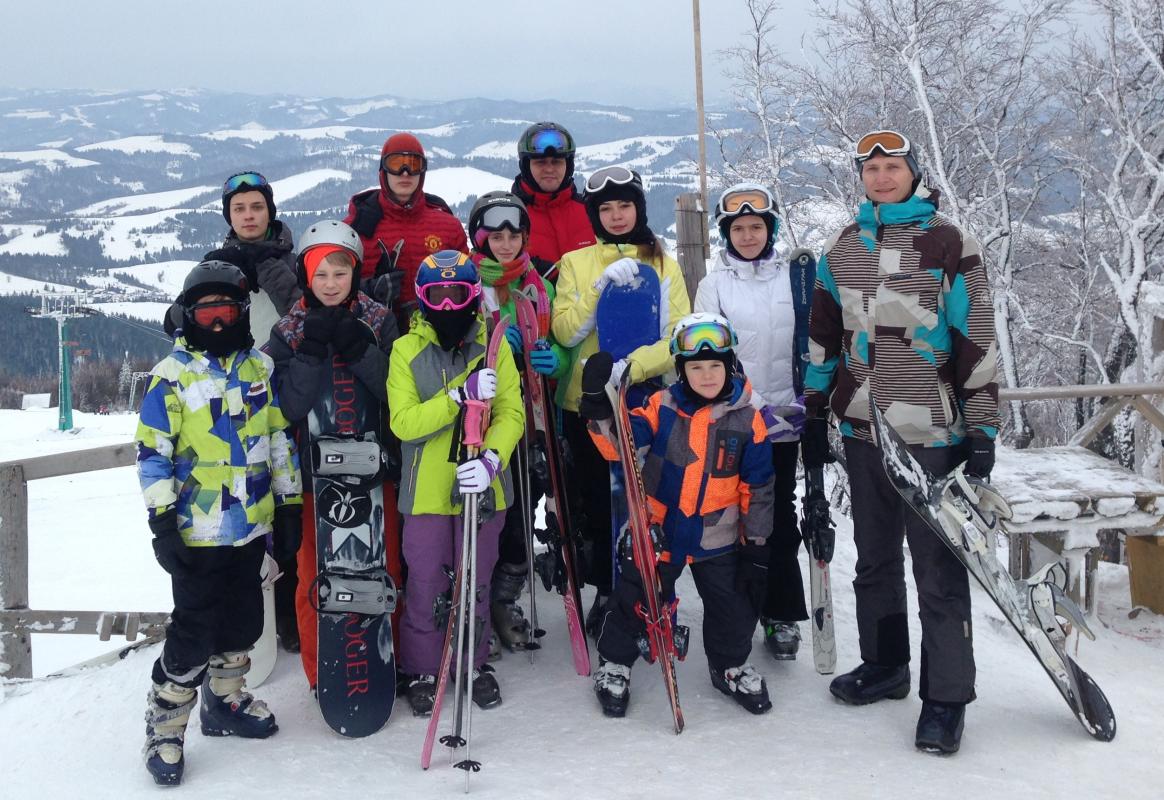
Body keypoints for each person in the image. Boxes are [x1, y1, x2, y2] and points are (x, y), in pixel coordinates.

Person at [802, 129, 999, 755]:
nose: (882, 177)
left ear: (913, 173)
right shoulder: (844, 246)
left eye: (893, 167)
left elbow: (977, 337)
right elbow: (824, 335)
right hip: (864, 429)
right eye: (872, 168)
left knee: (938, 570)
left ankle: (946, 698)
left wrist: (983, 427)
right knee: (875, 560)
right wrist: (814, 403)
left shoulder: (949, 242)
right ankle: (887, 667)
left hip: (933, 436)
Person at [135, 260, 302, 787]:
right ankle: (165, 724)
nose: (215, 322)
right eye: (205, 311)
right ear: (187, 314)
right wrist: (162, 523)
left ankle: (225, 701)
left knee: (244, 623)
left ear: (241, 314)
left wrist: (290, 503)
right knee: (193, 634)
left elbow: (277, 439)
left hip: (249, 527)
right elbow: (152, 456)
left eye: (226, 311)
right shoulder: (172, 377)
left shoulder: (257, 371)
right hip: (196, 531)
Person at [578, 313, 775, 717]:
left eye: (715, 366)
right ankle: (615, 662)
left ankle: (730, 664)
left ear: (730, 367)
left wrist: (756, 544)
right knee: (637, 596)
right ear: (681, 371)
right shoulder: (660, 406)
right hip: (660, 529)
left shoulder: (748, 418)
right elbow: (623, 446)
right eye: (696, 367)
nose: (706, 376)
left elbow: (758, 488)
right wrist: (599, 408)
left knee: (732, 605)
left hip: (716, 536)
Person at [551, 165, 691, 633]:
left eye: (624, 206)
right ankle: (606, 590)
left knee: (647, 503)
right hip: (587, 406)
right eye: (605, 208)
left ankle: (648, 585)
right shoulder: (576, 263)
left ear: (639, 208)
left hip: (645, 402)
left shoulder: (664, 264)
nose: (615, 215)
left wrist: (629, 368)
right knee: (596, 503)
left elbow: (677, 334)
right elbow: (566, 332)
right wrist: (598, 290)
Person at [386, 250, 525, 716]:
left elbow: (511, 412)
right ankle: (424, 667)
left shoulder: (493, 347)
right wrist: (458, 397)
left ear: (472, 297)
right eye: (436, 297)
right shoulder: (407, 350)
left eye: (458, 295)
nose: (448, 308)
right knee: (427, 581)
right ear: (422, 300)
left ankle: (473, 659)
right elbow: (405, 422)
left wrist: (491, 459)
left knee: (476, 580)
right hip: (425, 491)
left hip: (483, 487)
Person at [263, 220, 400, 692]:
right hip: (313, 477)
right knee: (312, 574)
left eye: (340, 273)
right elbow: (285, 408)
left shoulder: (378, 320)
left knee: (385, 566)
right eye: (320, 275)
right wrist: (311, 352)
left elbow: (395, 393)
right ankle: (320, 668)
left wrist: (359, 349)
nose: (330, 284)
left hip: (373, 468)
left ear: (356, 273)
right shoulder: (288, 331)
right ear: (305, 275)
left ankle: (384, 656)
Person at [694, 183, 813, 660]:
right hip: (736, 418)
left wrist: (807, 398)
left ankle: (781, 613)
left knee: (777, 515)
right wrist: (753, 403)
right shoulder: (714, 283)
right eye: (738, 228)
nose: (747, 235)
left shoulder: (795, 278)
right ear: (727, 233)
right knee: (732, 517)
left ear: (770, 230)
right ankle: (739, 609)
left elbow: (814, 337)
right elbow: (708, 355)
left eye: (756, 227)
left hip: (790, 420)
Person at [468, 191, 571, 652]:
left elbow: (558, 342)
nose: (506, 244)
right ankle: (476, 602)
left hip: (529, 417)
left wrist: (557, 361)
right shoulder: (465, 281)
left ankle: (505, 599)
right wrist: (489, 341)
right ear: (481, 238)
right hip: (477, 419)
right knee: (492, 510)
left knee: (523, 507)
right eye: (496, 236)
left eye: (514, 235)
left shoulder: (538, 286)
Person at [344, 132, 468, 328]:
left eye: (414, 164)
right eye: (396, 164)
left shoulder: (448, 226)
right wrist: (369, 289)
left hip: (436, 334)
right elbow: (334, 286)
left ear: (423, 171)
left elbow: (467, 283)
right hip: (376, 336)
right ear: (383, 170)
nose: (405, 172)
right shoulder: (357, 227)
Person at [510, 122, 596, 279]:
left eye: (557, 162)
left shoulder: (591, 211)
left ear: (568, 166)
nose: (549, 169)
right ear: (526, 166)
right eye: (540, 162)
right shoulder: (510, 215)